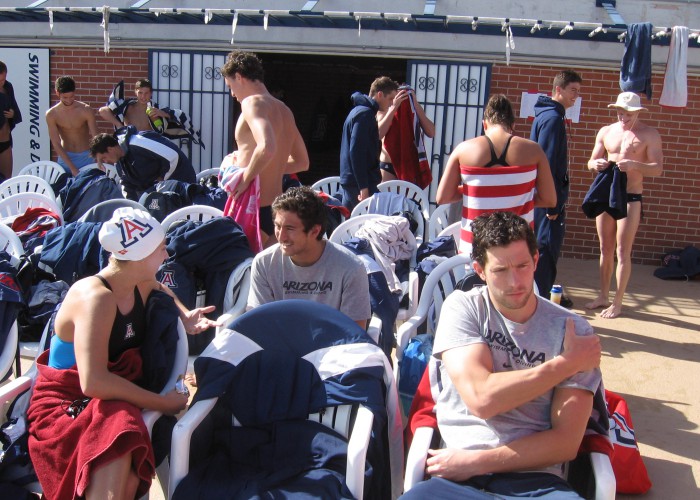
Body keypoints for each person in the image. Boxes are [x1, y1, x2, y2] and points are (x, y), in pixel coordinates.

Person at [401, 211, 602, 499]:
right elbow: (482, 399)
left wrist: (477, 462)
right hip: (456, 479)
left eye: (522, 265)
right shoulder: (464, 308)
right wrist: (565, 364)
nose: (514, 282)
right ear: (480, 271)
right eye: (499, 270)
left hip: (536, 480)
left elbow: (565, 442)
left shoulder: (573, 330)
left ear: (536, 261)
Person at [27, 207, 219, 500]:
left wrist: (185, 316)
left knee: (128, 474)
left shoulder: (137, 282)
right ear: (140, 256)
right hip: (66, 403)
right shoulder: (96, 298)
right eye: (161, 249)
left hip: (109, 399)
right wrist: (162, 403)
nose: (166, 256)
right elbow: (93, 383)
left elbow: (157, 285)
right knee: (120, 435)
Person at [436, 94, 556, 255]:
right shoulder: (534, 150)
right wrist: (516, 193)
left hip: (474, 250)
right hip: (519, 249)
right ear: (513, 124)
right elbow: (549, 199)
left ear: (484, 124)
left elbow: (443, 197)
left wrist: (474, 190)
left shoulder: (463, 150)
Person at [584, 92, 663, 319]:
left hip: (631, 196)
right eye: (620, 112)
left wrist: (635, 165)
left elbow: (657, 168)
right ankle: (603, 295)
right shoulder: (606, 131)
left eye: (628, 114)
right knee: (605, 249)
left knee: (622, 251)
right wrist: (594, 164)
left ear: (637, 112)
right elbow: (590, 161)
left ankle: (617, 302)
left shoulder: (649, 134)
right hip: (608, 195)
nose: (623, 117)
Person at [247, 186, 371, 329]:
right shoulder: (264, 263)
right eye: (278, 226)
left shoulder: (351, 267)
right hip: (280, 346)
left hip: (333, 347)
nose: (281, 236)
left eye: (290, 229)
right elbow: (260, 324)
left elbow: (354, 333)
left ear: (315, 231)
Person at [220, 51, 309, 248]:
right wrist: (273, 168)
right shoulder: (284, 110)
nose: (232, 94)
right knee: (270, 275)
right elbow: (302, 162)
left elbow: (267, 147)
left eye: (230, 86)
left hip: (253, 209)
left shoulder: (252, 103)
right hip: (275, 209)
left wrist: (245, 179)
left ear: (239, 77)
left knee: (245, 273)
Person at [530, 70, 583, 307]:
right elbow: (548, 163)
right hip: (548, 201)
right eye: (573, 90)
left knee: (544, 249)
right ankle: (542, 303)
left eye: (578, 92)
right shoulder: (552, 118)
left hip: (546, 198)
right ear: (558, 90)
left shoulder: (551, 115)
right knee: (545, 250)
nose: (576, 97)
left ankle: (543, 298)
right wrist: (553, 203)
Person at [339, 77, 399, 211]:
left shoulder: (360, 111)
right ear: (379, 94)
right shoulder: (365, 114)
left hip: (353, 181)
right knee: (360, 227)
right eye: (390, 98)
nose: (391, 104)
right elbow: (357, 152)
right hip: (358, 183)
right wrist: (363, 187)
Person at [89, 126, 196, 201]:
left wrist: (163, 179)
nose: (106, 162)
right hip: (159, 196)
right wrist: (132, 207)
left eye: (104, 158)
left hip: (182, 184)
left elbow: (172, 156)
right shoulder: (120, 165)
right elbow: (127, 187)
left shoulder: (138, 142)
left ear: (110, 149)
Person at [377, 83, 435, 183]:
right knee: (386, 197)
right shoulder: (385, 108)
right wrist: (394, 108)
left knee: (408, 198)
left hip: (408, 164)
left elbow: (431, 132)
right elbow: (378, 134)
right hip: (388, 165)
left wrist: (415, 104)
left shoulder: (415, 108)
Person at [45, 76, 99, 176]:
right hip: (66, 157)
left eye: (72, 96)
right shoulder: (52, 114)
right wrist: (72, 167)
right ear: (57, 93)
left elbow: (96, 137)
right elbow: (56, 143)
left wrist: (98, 157)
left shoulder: (86, 110)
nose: (69, 100)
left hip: (86, 156)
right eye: (65, 97)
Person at [98, 78, 170, 132]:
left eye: (146, 93)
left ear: (151, 93)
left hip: (147, 146)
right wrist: (119, 125)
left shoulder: (156, 108)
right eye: (140, 93)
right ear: (135, 92)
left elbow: (176, 117)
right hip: (129, 144)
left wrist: (163, 114)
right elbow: (102, 111)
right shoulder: (126, 106)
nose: (143, 97)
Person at [0, 60, 22, 181]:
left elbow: (14, 107)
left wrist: (13, 114)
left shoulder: (8, 87)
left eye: (3, 79)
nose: (1, 83)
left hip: (5, 141)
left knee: (7, 182)